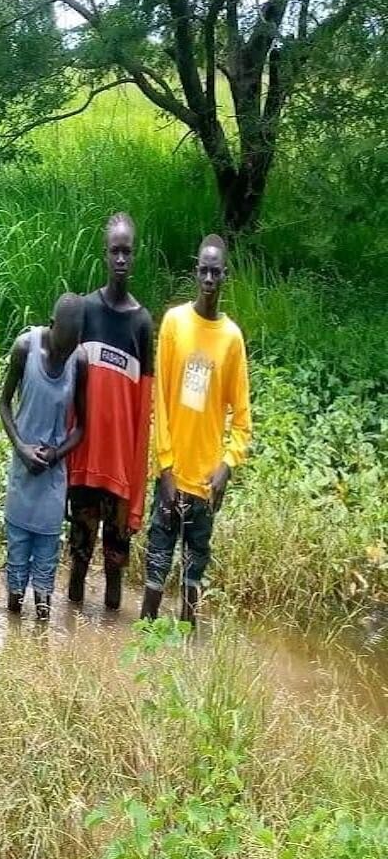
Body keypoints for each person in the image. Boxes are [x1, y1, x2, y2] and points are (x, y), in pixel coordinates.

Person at [140, 235, 251, 625]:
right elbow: (162, 402)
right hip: (172, 477)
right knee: (155, 571)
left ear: (225, 276)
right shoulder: (174, 324)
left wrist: (227, 466)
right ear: (195, 271)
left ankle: (187, 659)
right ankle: (144, 655)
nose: (208, 278)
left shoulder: (232, 339)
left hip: (205, 484)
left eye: (215, 272)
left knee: (193, 576)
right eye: (203, 270)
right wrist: (166, 468)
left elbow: (242, 418)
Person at [66, 212, 155, 610]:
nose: (121, 258)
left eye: (127, 252)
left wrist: (137, 489)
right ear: (105, 254)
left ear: (134, 257)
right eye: (115, 251)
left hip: (119, 474)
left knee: (116, 574)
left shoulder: (142, 324)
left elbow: (143, 412)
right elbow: (70, 391)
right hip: (84, 465)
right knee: (78, 565)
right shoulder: (85, 312)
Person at [0, 293, 88, 621]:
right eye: (64, 342)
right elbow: (4, 404)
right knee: (16, 567)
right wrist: (21, 447)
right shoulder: (25, 348)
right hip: (22, 476)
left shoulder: (78, 361)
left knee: (46, 572)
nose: (67, 351)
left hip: (52, 479)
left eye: (75, 342)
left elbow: (82, 427)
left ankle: (39, 641)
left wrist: (55, 454)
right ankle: (13, 639)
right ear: (52, 326)